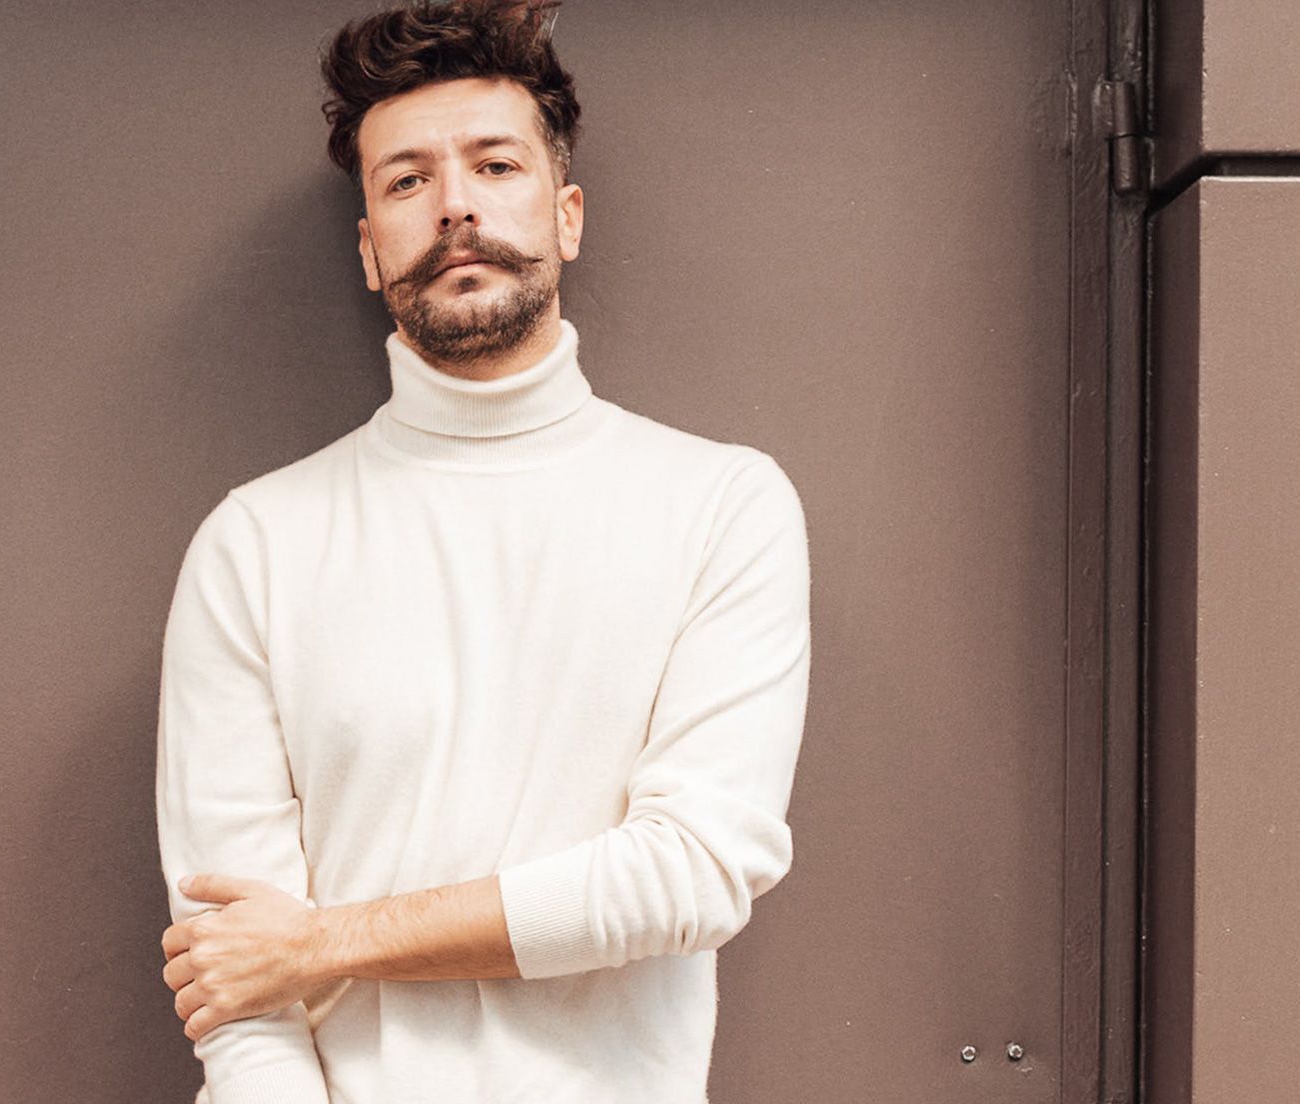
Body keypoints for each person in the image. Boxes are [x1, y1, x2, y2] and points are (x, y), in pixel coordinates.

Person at [152, 1, 810, 1099]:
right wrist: (281, 968)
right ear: (371, 251)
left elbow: (692, 873)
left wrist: (324, 943)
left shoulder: (720, 505)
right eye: (407, 180)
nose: (454, 204)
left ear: (567, 216)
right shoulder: (254, 543)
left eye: (494, 166)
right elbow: (235, 969)